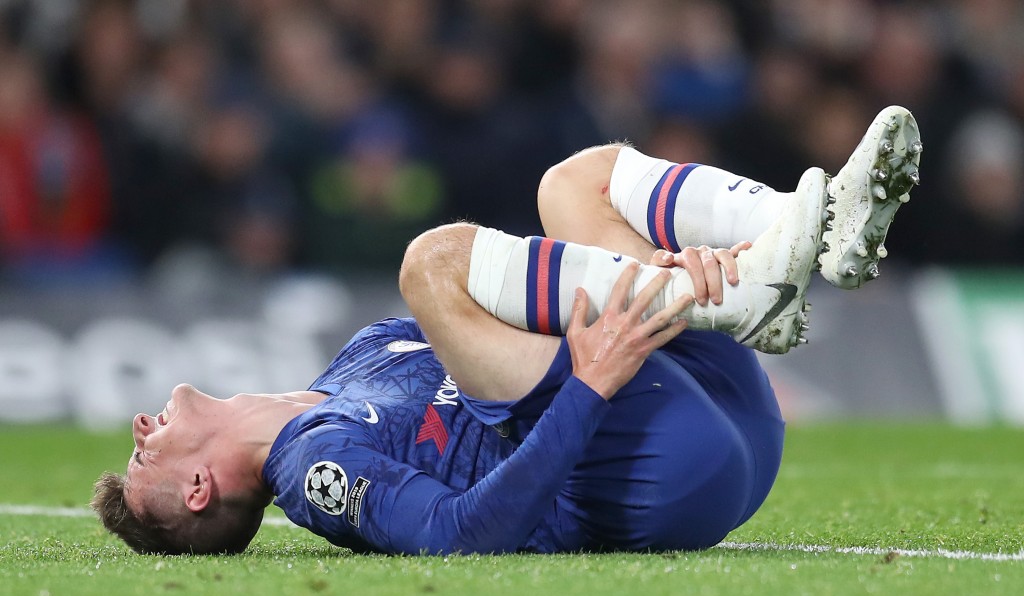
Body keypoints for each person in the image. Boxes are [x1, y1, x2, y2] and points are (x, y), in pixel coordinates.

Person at [91, 106, 922, 555]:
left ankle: (806, 230)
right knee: (432, 264)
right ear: (200, 490)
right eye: (142, 456)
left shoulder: (351, 362)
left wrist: (648, 271)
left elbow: (534, 293)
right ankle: (729, 289)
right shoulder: (315, 470)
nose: (138, 428)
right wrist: (590, 389)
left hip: (710, 402)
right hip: (647, 471)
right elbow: (461, 537)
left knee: (575, 184)